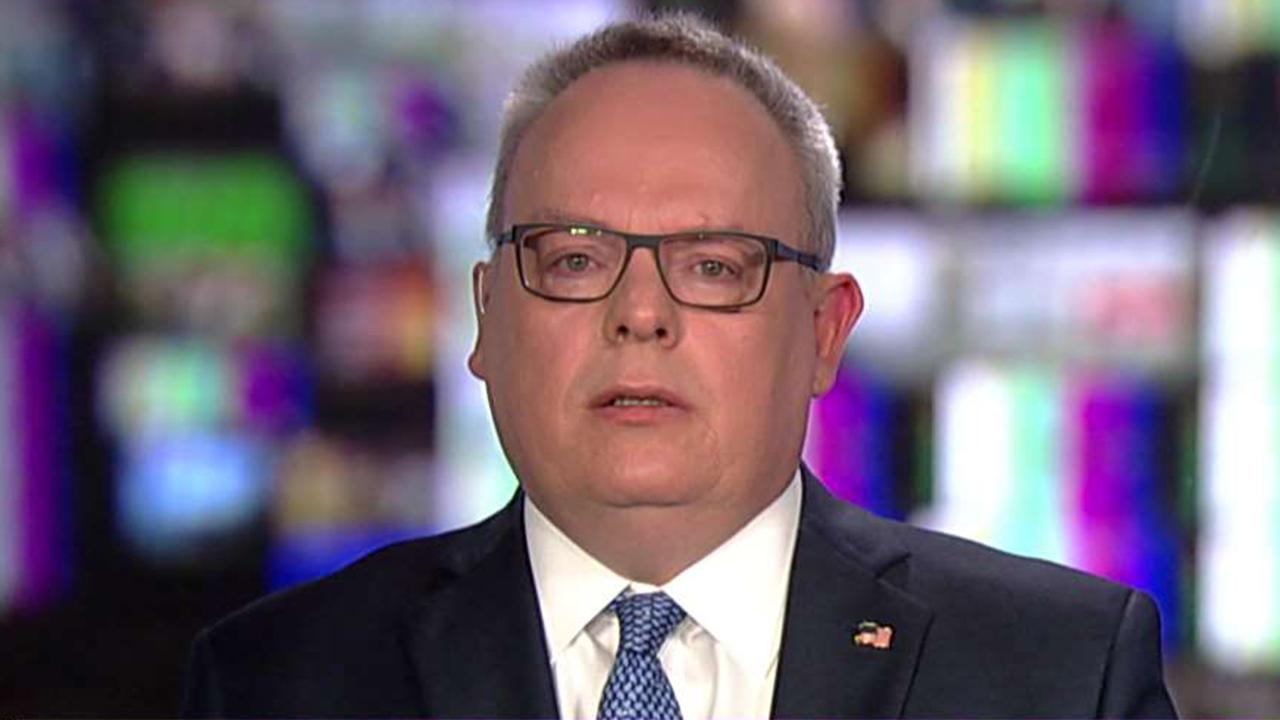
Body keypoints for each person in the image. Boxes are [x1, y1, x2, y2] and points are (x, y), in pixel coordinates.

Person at [183, 13, 1178, 719]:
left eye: (713, 266)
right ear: (485, 315)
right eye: (574, 261)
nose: (640, 315)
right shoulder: (277, 680)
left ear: (824, 331)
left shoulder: (1059, 675)